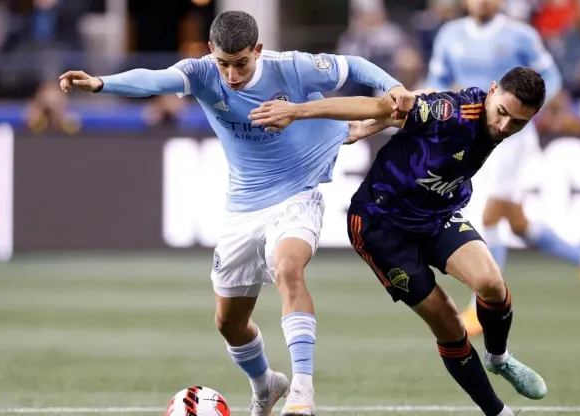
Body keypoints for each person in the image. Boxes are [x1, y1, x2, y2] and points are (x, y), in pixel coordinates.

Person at [58, 10, 414, 416]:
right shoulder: (202, 72)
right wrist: (102, 83)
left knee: (288, 268)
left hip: (299, 193)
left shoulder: (291, 67)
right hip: (243, 207)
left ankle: (301, 390)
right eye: (223, 63)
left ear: (257, 50)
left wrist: (395, 85)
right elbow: (154, 79)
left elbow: (355, 66)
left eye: (241, 63)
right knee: (228, 322)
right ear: (212, 52)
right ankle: (266, 384)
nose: (230, 74)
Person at [249, 66, 548, 416]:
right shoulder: (450, 113)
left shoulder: (490, 116)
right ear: (493, 90)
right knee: (449, 323)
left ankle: (498, 358)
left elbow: (410, 108)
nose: (504, 127)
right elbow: (387, 105)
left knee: (492, 285)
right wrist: (299, 112)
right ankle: (498, 412)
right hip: (380, 226)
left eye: (518, 123)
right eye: (502, 114)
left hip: (436, 215)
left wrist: (380, 124)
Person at [426, 0, 580, 337]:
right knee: (516, 222)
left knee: (489, 214)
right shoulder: (449, 35)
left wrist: (527, 112)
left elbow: (550, 76)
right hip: (470, 134)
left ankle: (482, 305)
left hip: (510, 136)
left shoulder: (520, 36)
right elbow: (437, 81)